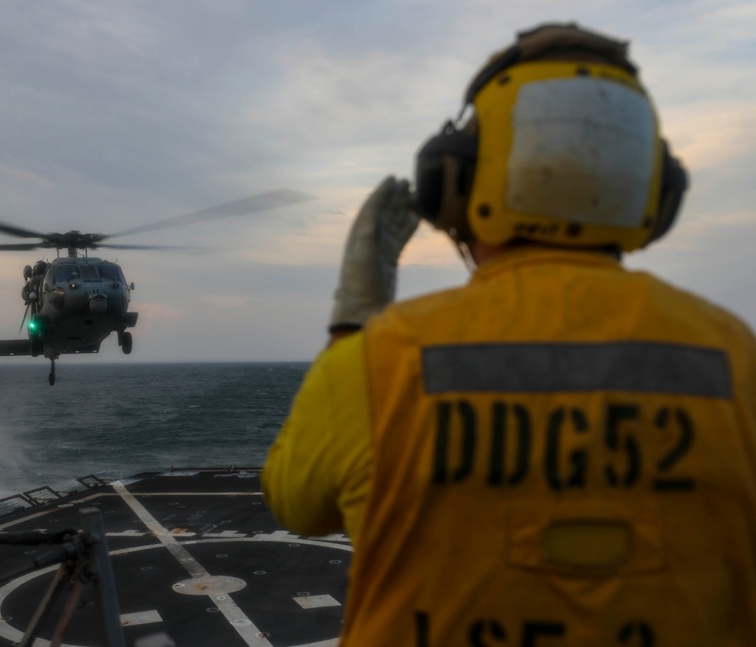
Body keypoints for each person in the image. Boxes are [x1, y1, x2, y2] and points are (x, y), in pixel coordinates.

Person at [262, 22, 756, 646]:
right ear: (656, 193)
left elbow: (296, 503)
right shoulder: (737, 358)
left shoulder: (378, 361)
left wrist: (353, 320)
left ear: (455, 183)